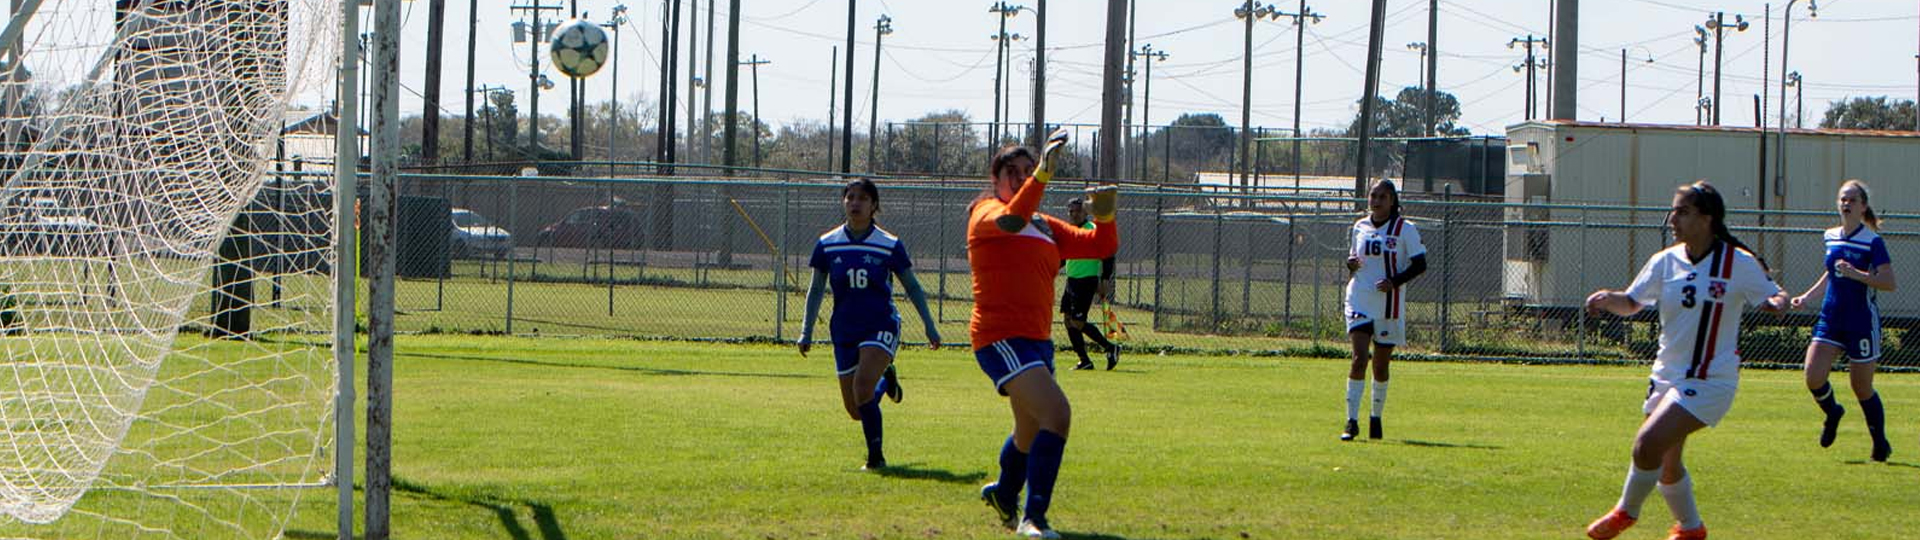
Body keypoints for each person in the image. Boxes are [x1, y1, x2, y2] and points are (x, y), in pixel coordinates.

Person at [1582, 181, 1787, 540]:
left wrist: (1779, 302)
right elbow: (1632, 303)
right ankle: (1691, 529)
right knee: (1667, 463)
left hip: (1710, 380)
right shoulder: (1665, 261)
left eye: (1682, 211)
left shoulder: (1737, 262)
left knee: (1647, 444)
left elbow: (1774, 295)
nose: (1672, 219)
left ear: (1707, 219)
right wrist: (1608, 299)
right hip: (1666, 375)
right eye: (1673, 210)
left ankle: (1626, 511)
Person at [970, 137, 1119, 539]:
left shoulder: (1043, 225)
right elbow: (1012, 220)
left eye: (1027, 171)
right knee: (1057, 414)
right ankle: (1033, 517)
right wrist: (1042, 173)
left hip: (1036, 340)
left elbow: (1102, 245)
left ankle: (1004, 493)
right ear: (995, 180)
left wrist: (1105, 214)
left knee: (1029, 431)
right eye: (1012, 173)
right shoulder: (988, 213)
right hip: (1000, 337)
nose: (1022, 178)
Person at [798, 178, 941, 471]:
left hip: (880, 325)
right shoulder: (828, 243)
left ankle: (876, 458)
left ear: (874, 205)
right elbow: (816, 289)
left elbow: (912, 286)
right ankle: (886, 381)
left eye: (862, 198)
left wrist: (929, 324)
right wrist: (806, 331)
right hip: (844, 330)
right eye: (850, 197)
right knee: (856, 409)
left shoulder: (888, 244)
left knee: (862, 387)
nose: (855, 203)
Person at [1790, 179, 1897, 461]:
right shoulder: (1830, 236)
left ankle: (1880, 443)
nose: (1846, 204)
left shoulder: (1872, 241)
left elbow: (1888, 282)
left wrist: (1857, 274)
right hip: (1831, 317)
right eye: (1843, 199)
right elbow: (1831, 273)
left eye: (1852, 200)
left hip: (1860, 321)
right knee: (1813, 376)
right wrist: (1807, 297)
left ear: (1863, 207)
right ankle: (1833, 412)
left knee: (1861, 387)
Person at [1340, 179, 1426, 441]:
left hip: (1388, 305)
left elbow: (1420, 264)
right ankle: (1351, 422)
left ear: (1392, 200)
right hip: (1359, 299)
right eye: (1373, 196)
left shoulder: (1405, 229)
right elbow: (1355, 261)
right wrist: (1350, 264)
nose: (1376, 201)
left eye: (1382, 197)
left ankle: (1375, 418)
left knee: (1380, 366)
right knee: (1359, 359)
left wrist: (1394, 282)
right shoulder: (1360, 226)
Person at [1059, 198, 1120, 371]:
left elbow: (1108, 254)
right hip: (1071, 281)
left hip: (1086, 281)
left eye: (1077, 211)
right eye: (1071, 211)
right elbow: (1063, 256)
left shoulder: (1092, 229)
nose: (1074, 214)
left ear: (1085, 212)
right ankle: (1084, 360)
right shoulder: (1069, 231)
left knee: (1078, 322)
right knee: (1068, 320)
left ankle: (1110, 347)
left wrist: (1105, 279)